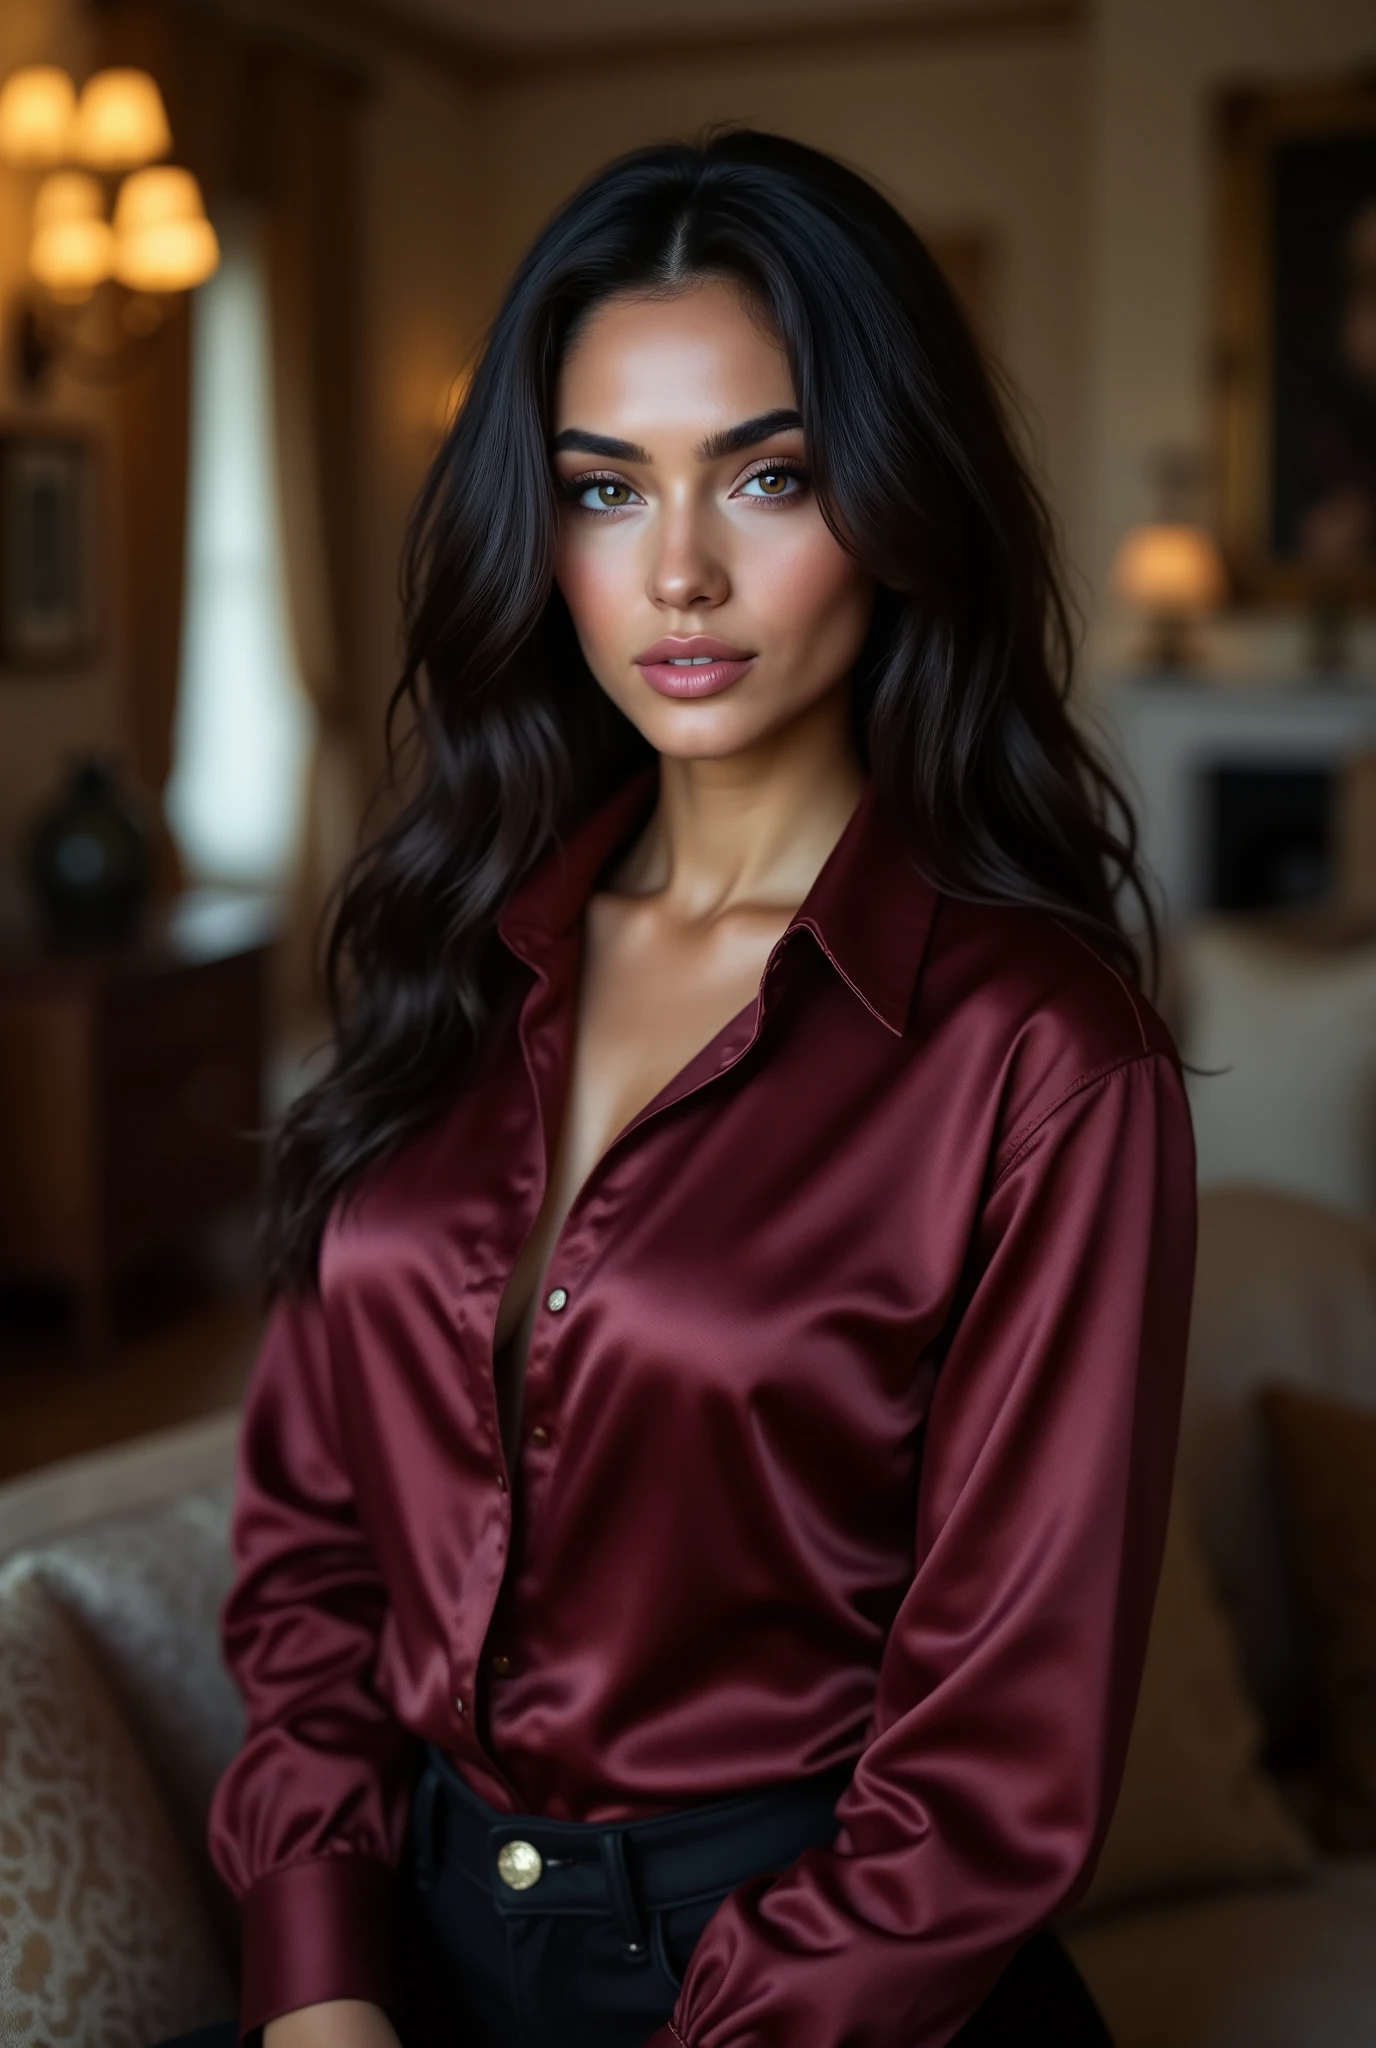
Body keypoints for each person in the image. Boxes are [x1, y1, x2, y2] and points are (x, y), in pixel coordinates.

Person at [186, 130, 1196, 2048]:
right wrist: (320, 1992)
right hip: (406, 1962)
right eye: (604, 487)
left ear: (894, 498)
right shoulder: (447, 956)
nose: (679, 572)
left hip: (812, 1993)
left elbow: (995, 1768)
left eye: (766, 474)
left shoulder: (1044, 1056)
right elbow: (312, 1558)